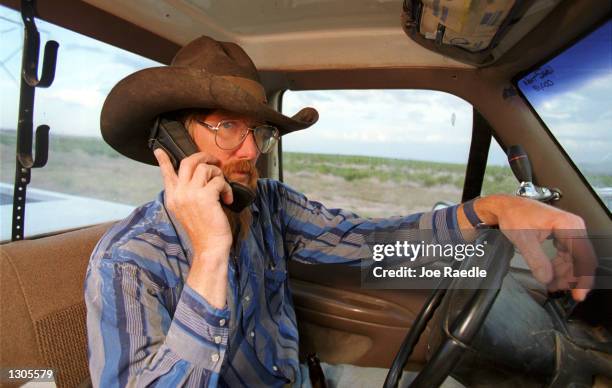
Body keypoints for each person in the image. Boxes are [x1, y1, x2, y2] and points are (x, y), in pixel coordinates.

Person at [85, 35, 596, 387]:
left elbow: (368, 241)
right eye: (226, 128)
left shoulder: (269, 204)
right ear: (174, 141)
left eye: (257, 131)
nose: (250, 152)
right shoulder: (128, 262)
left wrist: (490, 208)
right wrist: (210, 256)